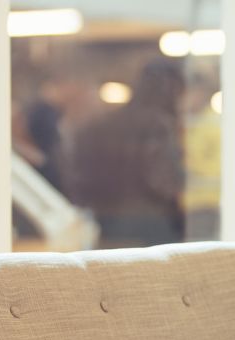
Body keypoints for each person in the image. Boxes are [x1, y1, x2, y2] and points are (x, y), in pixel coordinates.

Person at [70, 59, 186, 248]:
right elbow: (161, 180)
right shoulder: (158, 125)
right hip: (151, 223)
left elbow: (81, 176)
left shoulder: (105, 123)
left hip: (109, 223)